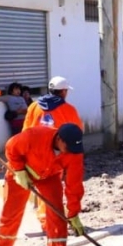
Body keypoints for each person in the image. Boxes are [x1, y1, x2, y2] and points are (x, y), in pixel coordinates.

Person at [0, 123, 86, 246]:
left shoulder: (74, 153)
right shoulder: (34, 135)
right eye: (67, 148)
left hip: (49, 177)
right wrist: (19, 171)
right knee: (11, 212)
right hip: (21, 173)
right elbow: (11, 147)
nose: (69, 152)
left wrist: (74, 213)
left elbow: (74, 184)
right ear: (59, 139)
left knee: (57, 212)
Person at [22, 76, 83, 229]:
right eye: (66, 91)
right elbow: (77, 132)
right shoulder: (68, 110)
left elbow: (25, 131)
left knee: (42, 186)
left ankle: (45, 220)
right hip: (56, 155)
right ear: (63, 92)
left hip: (35, 154)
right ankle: (54, 221)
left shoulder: (34, 107)